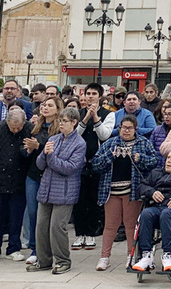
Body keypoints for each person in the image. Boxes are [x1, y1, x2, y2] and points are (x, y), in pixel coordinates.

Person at [91, 113, 160, 270]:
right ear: (119, 128)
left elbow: (154, 161)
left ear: (136, 129)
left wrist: (140, 158)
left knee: (131, 224)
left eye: (130, 128)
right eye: (123, 128)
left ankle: (131, 255)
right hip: (111, 190)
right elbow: (96, 164)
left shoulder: (143, 142)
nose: (126, 131)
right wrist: (111, 155)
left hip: (133, 190)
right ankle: (104, 257)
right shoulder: (110, 143)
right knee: (110, 225)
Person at [26, 108, 86, 275]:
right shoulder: (53, 139)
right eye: (60, 121)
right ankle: (44, 260)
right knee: (41, 226)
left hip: (65, 192)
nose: (61, 124)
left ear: (74, 122)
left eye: (64, 121)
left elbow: (69, 168)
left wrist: (50, 157)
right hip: (47, 188)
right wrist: (44, 154)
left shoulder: (79, 144)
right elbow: (39, 165)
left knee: (57, 227)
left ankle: (62, 260)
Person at [0, 107, 32, 263]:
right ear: (7, 122)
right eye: (13, 127)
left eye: (18, 127)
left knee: (16, 218)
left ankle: (14, 248)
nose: (16, 130)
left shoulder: (29, 129)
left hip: (19, 180)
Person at [73, 82, 115, 251]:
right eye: (88, 93)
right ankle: (79, 234)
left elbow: (104, 135)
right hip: (79, 163)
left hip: (97, 163)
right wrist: (85, 118)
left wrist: (95, 117)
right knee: (79, 200)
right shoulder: (78, 113)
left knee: (93, 200)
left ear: (100, 96)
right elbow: (74, 134)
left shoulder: (108, 115)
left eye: (93, 94)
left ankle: (90, 234)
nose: (90, 96)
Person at [23, 95, 61, 263]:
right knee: (32, 213)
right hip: (33, 175)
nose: (45, 108)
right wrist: (29, 150)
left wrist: (38, 147)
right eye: (44, 105)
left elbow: (56, 152)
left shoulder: (60, 130)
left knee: (48, 217)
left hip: (51, 177)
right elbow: (23, 150)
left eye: (49, 105)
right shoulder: (34, 128)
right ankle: (34, 248)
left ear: (57, 110)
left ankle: (48, 249)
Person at [150, 102, 171, 169]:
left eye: (170, 114)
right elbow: (150, 148)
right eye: (165, 114)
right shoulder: (157, 130)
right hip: (158, 167)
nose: (166, 117)